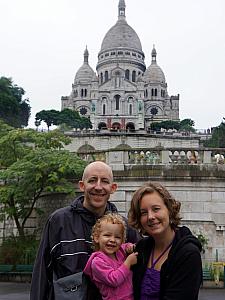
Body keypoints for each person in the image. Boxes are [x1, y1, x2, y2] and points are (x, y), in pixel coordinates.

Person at [30, 161, 140, 300]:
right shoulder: (59, 221)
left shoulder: (124, 226)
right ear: (82, 185)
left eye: (104, 181)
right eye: (92, 180)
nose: (98, 187)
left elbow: (144, 264)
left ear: (113, 188)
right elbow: (42, 273)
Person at [128, 182, 202, 300]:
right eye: (144, 212)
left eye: (156, 209)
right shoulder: (141, 248)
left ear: (169, 209)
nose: (150, 217)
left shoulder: (188, 254)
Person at [84, 213, 138, 300]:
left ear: (122, 241)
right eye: (107, 235)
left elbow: (128, 246)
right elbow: (114, 280)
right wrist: (128, 262)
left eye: (117, 237)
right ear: (97, 238)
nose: (112, 240)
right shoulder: (97, 262)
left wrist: (130, 248)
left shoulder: (120, 250)